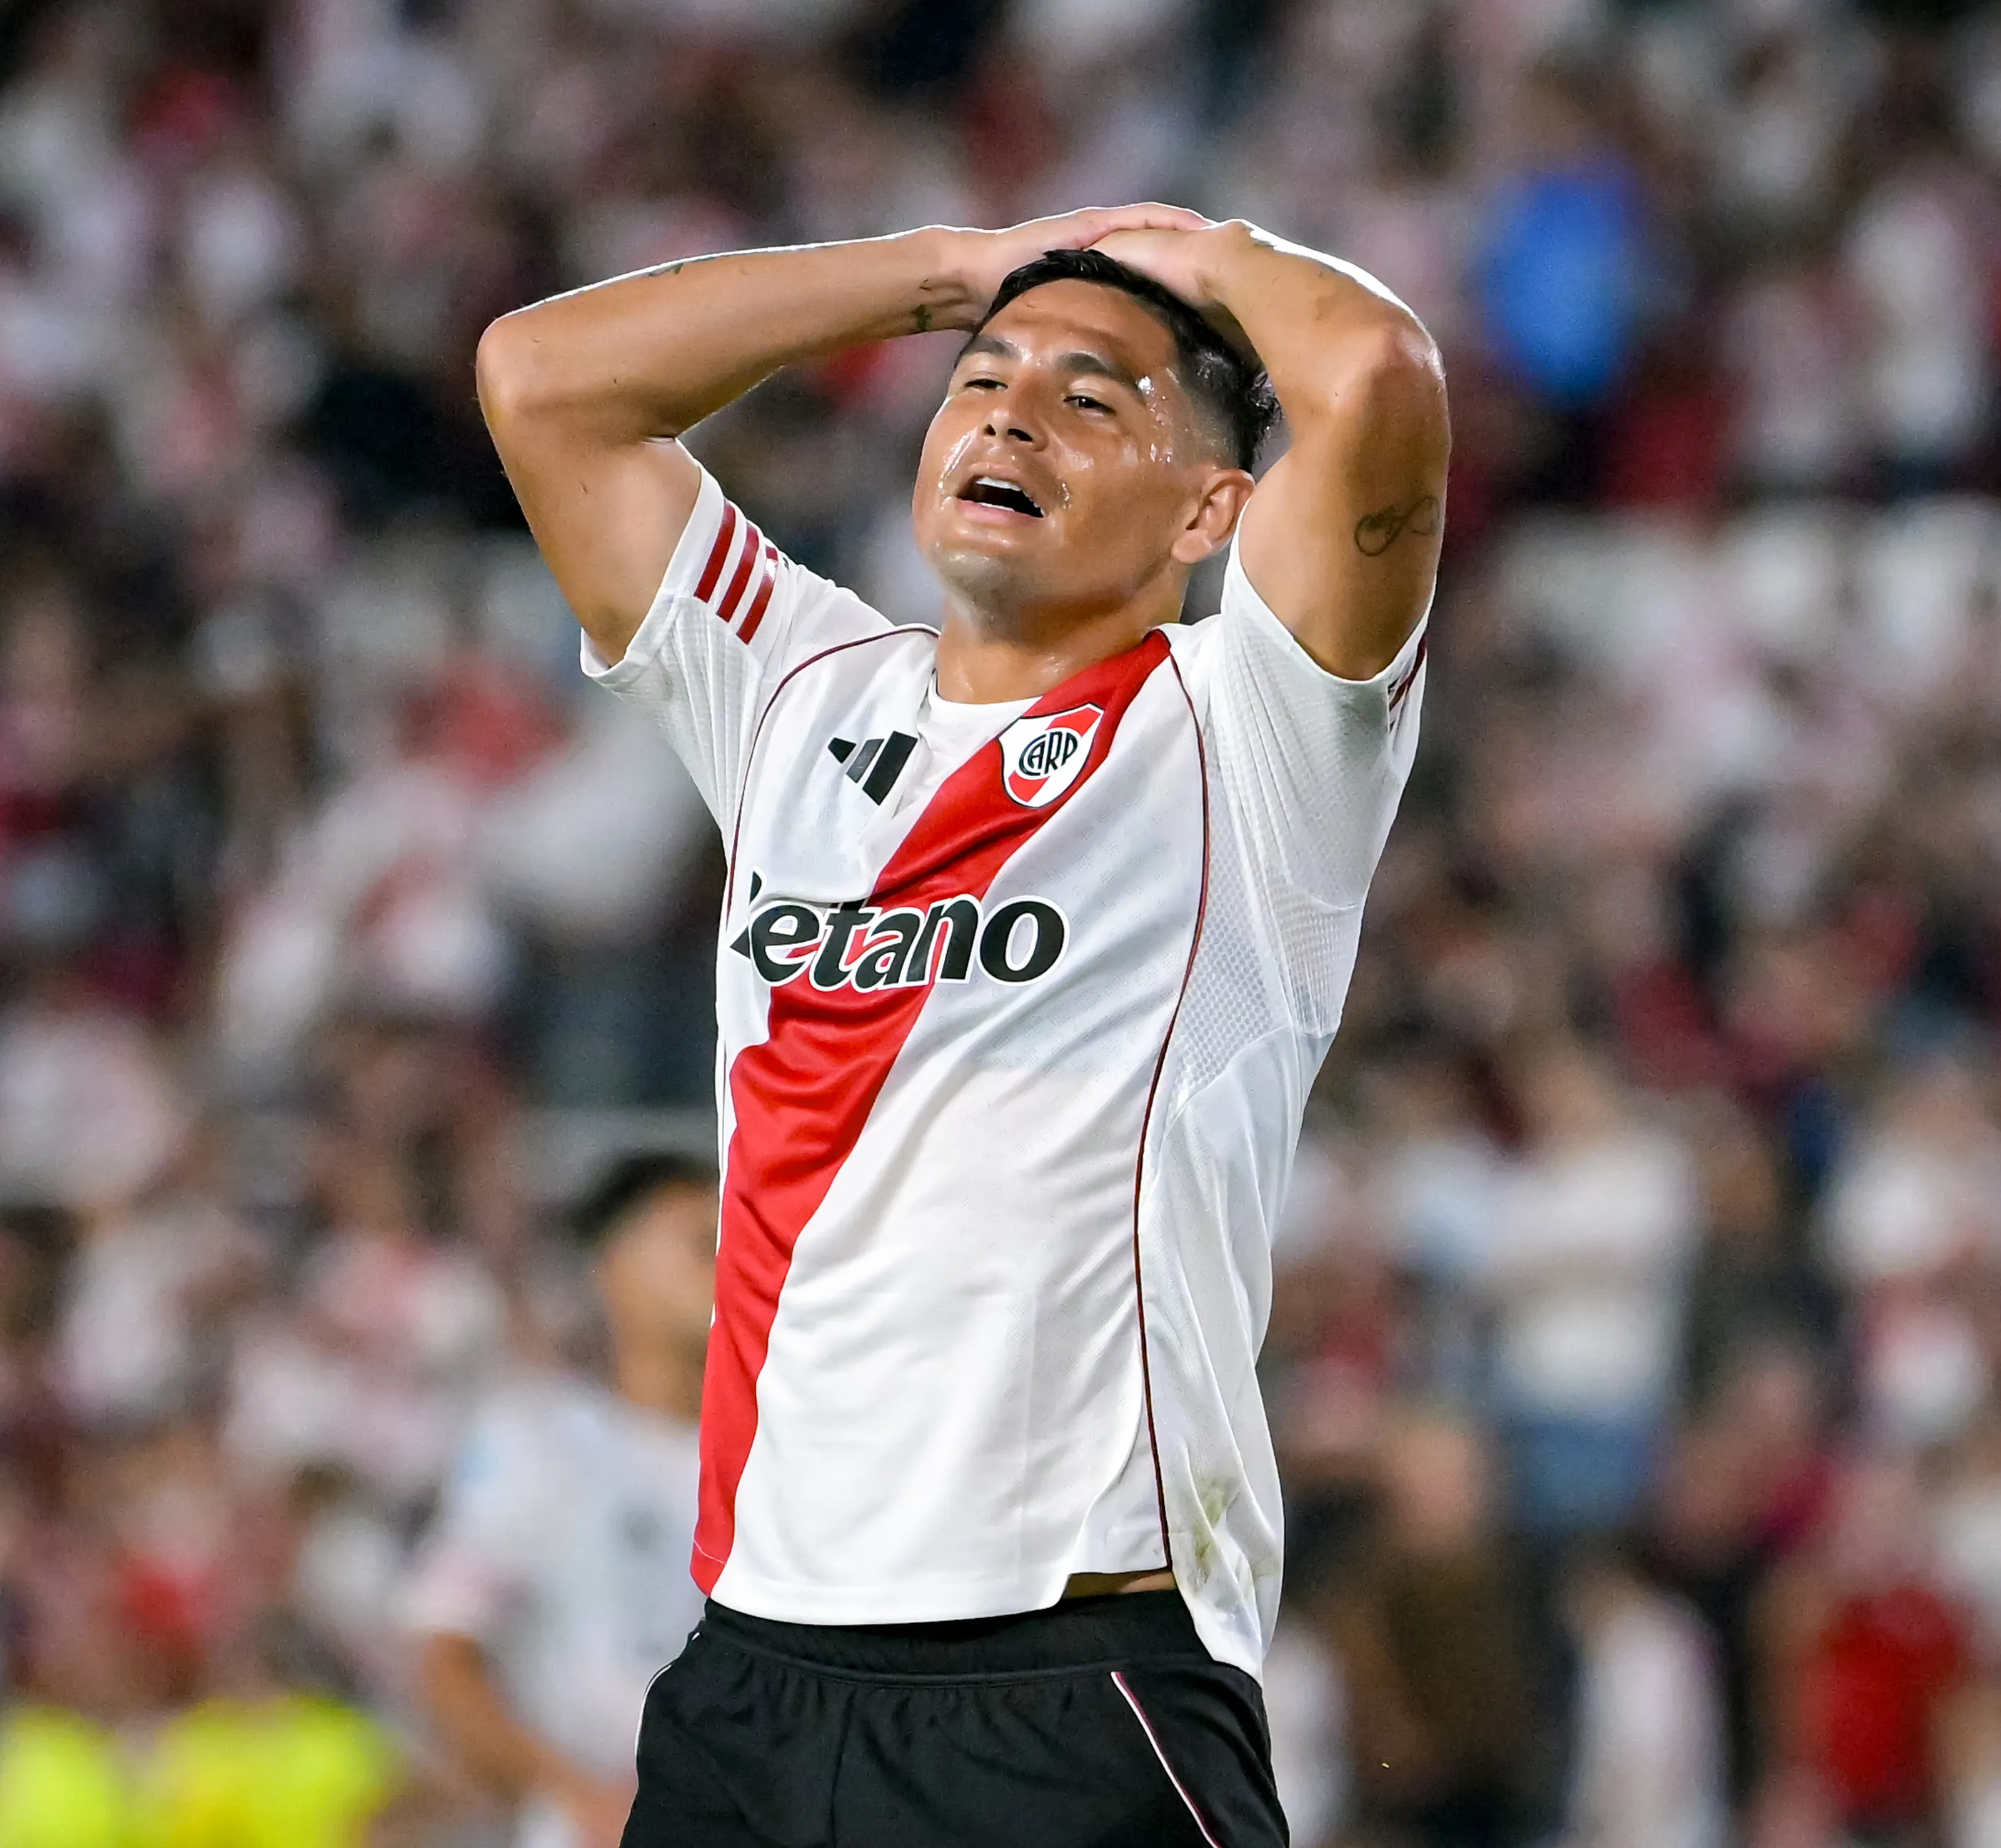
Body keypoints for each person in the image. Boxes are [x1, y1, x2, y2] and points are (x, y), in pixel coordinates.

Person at [476, 201, 1449, 1844]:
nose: (1008, 414)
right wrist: (955, 267)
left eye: (1091, 397)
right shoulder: (795, 692)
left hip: (1073, 1680)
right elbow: (539, 379)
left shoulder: (1248, 733)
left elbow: (1371, 373)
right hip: (751, 1679)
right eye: (982, 381)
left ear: (1210, 506)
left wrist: (1188, 250)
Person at [405, 1153, 718, 1848]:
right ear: (612, 1266)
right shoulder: (538, 1440)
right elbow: (445, 1653)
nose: (727, 1264)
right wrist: (573, 1792)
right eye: (700, 1242)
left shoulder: (786, 1458)